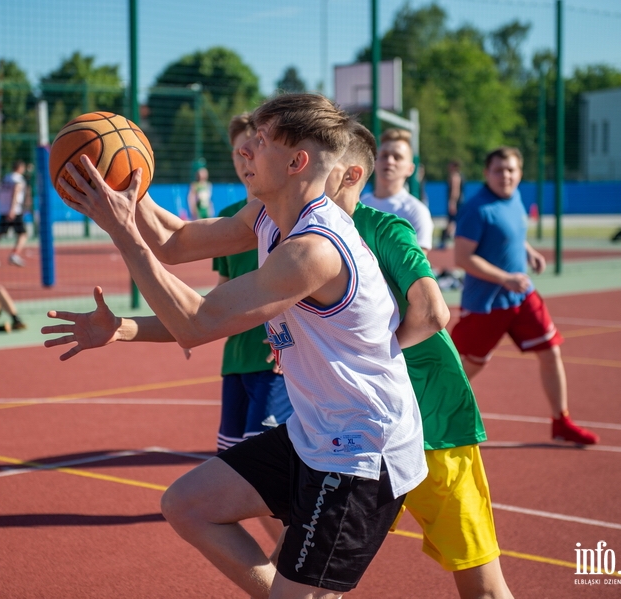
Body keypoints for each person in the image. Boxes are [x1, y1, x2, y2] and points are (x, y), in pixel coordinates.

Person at [44, 93, 427, 597]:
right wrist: (128, 187)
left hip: (360, 453)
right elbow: (174, 241)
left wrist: (121, 232)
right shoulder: (267, 216)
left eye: (262, 141)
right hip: (315, 431)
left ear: (297, 163)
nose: (246, 149)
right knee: (188, 504)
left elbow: (198, 322)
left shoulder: (315, 250)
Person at [327, 122, 513, 598]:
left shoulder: (388, 226)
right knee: (302, 567)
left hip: (431, 420)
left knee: (483, 588)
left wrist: (371, 353)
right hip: (357, 425)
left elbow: (431, 311)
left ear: (348, 174)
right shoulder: (299, 237)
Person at [453, 147, 599, 445]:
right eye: (498, 170)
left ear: (519, 173)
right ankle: (426, 418)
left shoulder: (516, 198)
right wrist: (505, 278)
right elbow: (463, 258)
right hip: (486, 305)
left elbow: (512, 235)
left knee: (551, 351)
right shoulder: (477, 209)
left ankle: (561, 422)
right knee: (467, 367)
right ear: (486, 173)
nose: (505, 175)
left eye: (511, 170)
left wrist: (528, 252)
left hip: (522, 297)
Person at [212, 114, 291, 452]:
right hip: (237, 357)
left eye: (252, 147)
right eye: (236, 151)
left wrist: (288, 339)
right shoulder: (227, 217)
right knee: (229, 459)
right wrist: (192, 322)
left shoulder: (289, 213)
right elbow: (223, 285)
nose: (244, 156)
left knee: (262, 467)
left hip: (276, 359)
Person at [359, 127, 434, 252]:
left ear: (410, 169)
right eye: (384, 155)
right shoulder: (360, 204)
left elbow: (416, 266)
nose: (389, 161)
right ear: (374, 162)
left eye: (397, 157)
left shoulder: (416, 211)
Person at [0, 160, 27, 268]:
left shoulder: (6, 178)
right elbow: (16, 192)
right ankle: (15, 254)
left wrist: (3, 206)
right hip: (14, 211)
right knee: (23, 234)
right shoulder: (18, 179)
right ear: (20, 168)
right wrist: (12, 209)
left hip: (3, 210)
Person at [438, 160, 464, 249]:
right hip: (458, 201)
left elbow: (455, 190)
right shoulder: (458, 175)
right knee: (454, 221)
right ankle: (450, 239)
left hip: (456, 202)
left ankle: (444, 240)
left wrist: (452, 202)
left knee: (451, 222)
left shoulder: (454, 176)